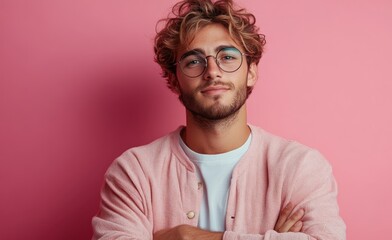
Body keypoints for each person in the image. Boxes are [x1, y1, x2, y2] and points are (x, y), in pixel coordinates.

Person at [91, 0, 346, 239]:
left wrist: (189, 237)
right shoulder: (135, 172)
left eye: (227, 57)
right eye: (194, 61)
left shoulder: (299, 167)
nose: (212, 72)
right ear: (174, 80)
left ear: (251, 73)